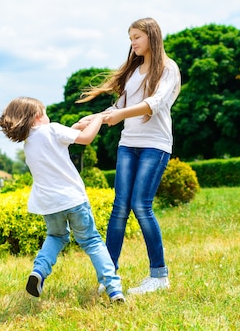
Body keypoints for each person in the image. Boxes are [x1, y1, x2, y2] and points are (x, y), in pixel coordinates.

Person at [76, 17, 181, 295]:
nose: (132, 43)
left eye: (136, 37)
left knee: (140, 205)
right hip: (128, 144)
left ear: (151, 37)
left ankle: (159, 276)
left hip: (155, 144)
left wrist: (119, 114)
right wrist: (97, 117)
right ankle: (109, 276)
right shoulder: (134, 70)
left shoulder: (168, 69)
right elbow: (121, 105)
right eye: (130, 38)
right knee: (119, 207)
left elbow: (154, 105)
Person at [0, 97, 125, 303]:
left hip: (50, 205)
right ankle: (113, 288)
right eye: (45, 113)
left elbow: (65, 136)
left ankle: (38, 272)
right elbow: (85, 138)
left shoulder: (29, 144)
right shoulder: (53, 129)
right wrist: (99, 119)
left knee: (56, 237)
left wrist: (79, 125)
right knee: (92, 241)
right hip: (73, 200)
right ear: (38, 116)